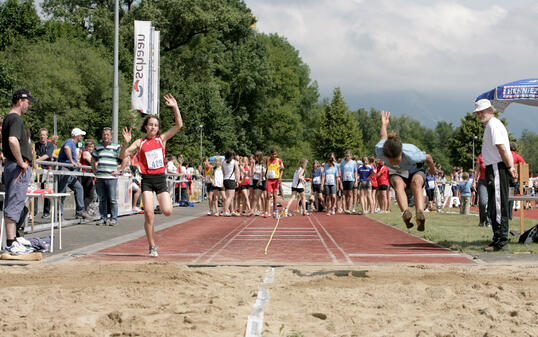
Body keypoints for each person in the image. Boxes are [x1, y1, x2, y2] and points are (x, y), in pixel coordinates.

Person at [120, 93, 183, 257]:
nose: (153, 127)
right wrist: (126, 143)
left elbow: (179, 125)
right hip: (147, 181)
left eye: (155, 125)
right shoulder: (140, 143)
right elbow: (123, 155)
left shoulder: (161, 140)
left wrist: (175, 107)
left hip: (160, 180)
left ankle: (153, 241)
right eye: (150, 125)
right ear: (145, 127)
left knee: (168, 211)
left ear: (158, 128)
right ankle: (152, 246)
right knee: (148, 213)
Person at [375, 110, 436, 231]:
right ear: (385, 156)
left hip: (414, 170)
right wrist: (384, 124)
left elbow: (428, 157)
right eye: (391, 161)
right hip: (397, 174)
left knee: (417, 182)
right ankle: (406, 214)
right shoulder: (380, 150)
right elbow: (383, 137)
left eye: (397, 159)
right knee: (397, 183)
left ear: (401, 153)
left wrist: (432, 169)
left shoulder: (411, 154)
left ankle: (420, 213)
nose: (395, 163)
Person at [473, 99, 517, 252]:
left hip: (498, 166)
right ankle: (497, 237)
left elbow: (502, 148)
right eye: (478, 112)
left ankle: (501, 240)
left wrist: (509, 166)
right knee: (494, 204)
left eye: (482, 111)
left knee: (498, 204)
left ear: (490, 110)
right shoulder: (491, 125)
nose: (479, 115)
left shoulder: (493, 125)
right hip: (494, 167)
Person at [2, 89, 35, 254]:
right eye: (28, 102)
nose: (29, 105)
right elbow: (12, 140)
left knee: (14, 203)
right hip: (17, 167)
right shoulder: (15, 119)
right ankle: (11, 243)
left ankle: (12, 240)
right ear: (20, 101)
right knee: (14, 204)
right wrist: (21, 162)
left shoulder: (9, 118)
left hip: (12, 165)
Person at [57, 128, 91, 219]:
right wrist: (72, 161)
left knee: (79, 188)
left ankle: (80, 211)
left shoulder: (72, 143)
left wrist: (76, 162)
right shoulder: (70, 142)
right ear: (77, 136)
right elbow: (66, 148)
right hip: (65, 170)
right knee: (62, 192)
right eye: (81, 135)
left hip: (69, 171)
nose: (82, 137)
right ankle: (58, 215)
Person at [92, 127, 123, 226]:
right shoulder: (98, 147)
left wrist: (119, 170)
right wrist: (94, 168)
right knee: (102, 199)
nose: (106, 136)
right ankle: (103, 218)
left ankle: (114, 218)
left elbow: (125, 158)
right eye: (104, 134)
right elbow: (93, 158)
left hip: (111, 177)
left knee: (112, 199)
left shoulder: (116, 147)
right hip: (100, 176)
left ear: (111, 136)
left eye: (108, 135)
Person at [35, 128, 54, 218]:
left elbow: (47, 155)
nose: (42, 136)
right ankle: (33, 211)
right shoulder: (36, 145)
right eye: (41, 135)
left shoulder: (50, 145)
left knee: (47, 191)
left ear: (47, 136)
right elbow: (34, 154)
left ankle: (46, 212)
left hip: (47, 170)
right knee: (35, 190)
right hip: (38, 170)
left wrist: (37, 159)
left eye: (44, 135)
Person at [265, 149, 284, 218]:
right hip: (269, 180)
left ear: (277, 154)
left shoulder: (279, 161)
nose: (274, 155)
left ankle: (274, 211)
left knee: (275, 196)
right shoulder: (267, 160)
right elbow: (266, 168)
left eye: (275, 154)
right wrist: (265, 176)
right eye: (273, 154)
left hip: (276, 180)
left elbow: (282, 170)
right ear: (271, 154)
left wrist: (280, 177)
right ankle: (267, 211)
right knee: (268, 196)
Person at [222, 150, 240, 216]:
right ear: (231, 156)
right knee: (230, 196)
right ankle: (225, 210)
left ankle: (231, 210)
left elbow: (223, 172)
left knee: (228, 197)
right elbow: (237, 172)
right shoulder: (234, 162)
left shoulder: (223, 162)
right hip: (231, 180)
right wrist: (237, 181)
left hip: (225, 179)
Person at [80, 139, 96, 213]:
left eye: (92, 147)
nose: (91, 148)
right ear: (86, 147)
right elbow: (93, 163)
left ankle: (84, 210)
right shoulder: (86, 153)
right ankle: (84, 210)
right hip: (85, 175)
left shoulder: (89, 153)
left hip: (89, 175)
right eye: (89, 146)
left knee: (88, 194)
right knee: (90, 195)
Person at [340, 150, 358, 214]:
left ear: (351, 156)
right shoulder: (342, 163)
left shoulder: (353, 163)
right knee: (345, 194)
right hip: (345, 180)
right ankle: (346, 208)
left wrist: (356, 181)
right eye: (346, 156)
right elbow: (341, 173)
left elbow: (355, 172)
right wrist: (341, 182)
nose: (347, 157)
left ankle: (349, 208)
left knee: (350, 194)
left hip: (351, 180)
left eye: (348, 156)